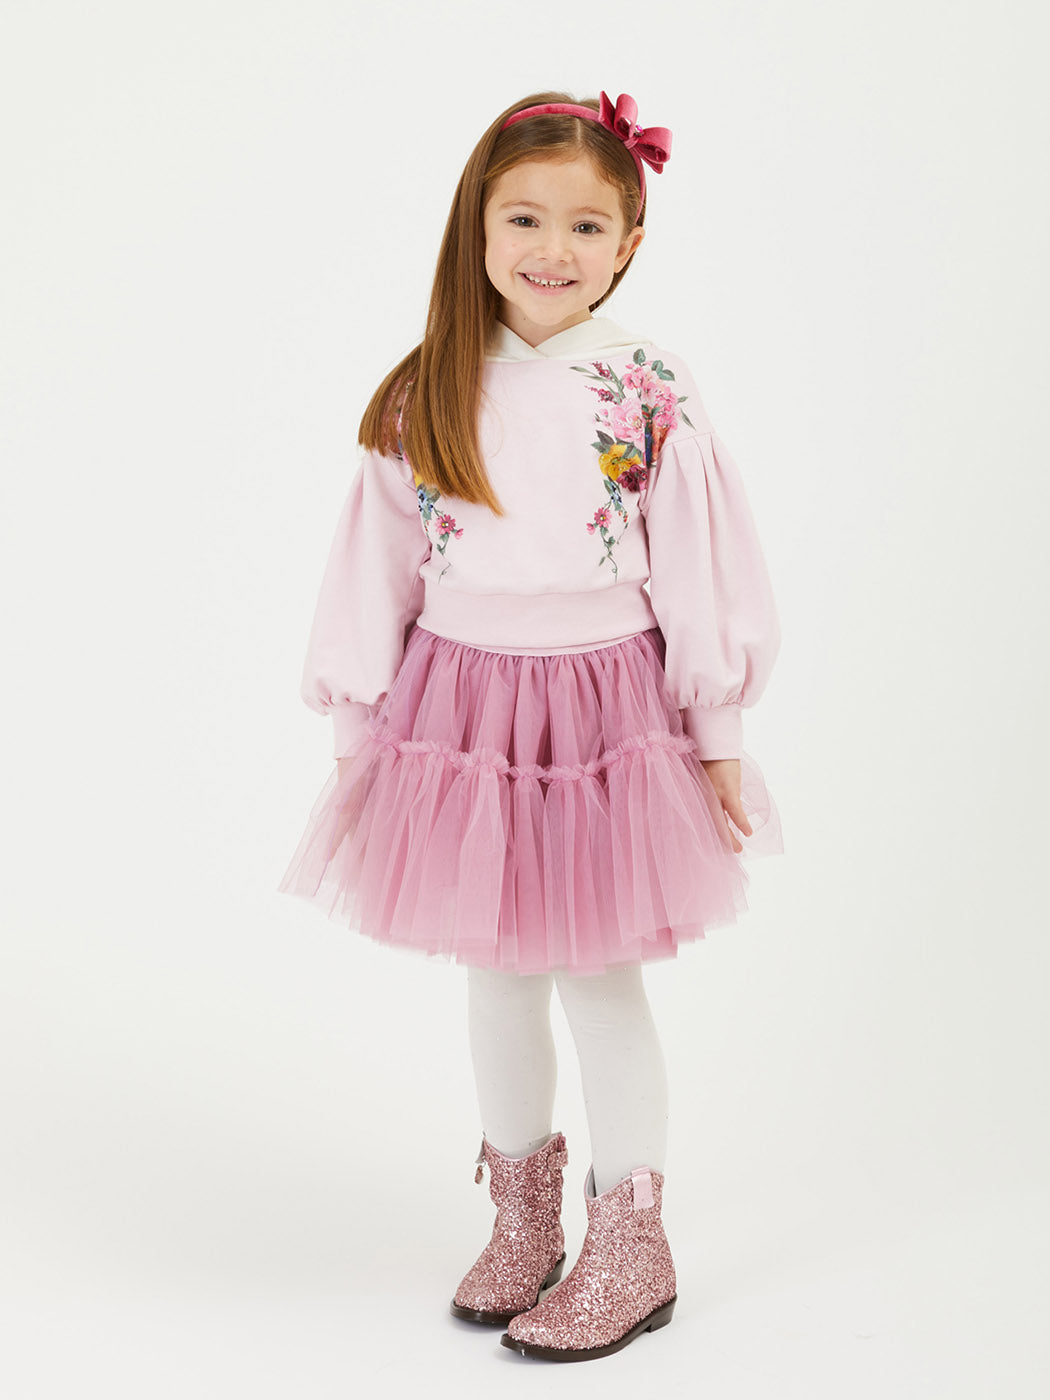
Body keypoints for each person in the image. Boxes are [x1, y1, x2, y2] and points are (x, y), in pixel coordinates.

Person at [278, 89, 783, 1362]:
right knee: (495, 969)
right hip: (459, 712)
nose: (552, 248)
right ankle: (522, 1214)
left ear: (628, 244)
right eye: (523, 218)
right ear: (478, 226)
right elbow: (374, 573)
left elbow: (700, 569)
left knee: (599, 969)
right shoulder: (426, 389)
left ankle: (633, 1237)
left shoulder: (646, 386)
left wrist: (717, 729)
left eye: (586, 225)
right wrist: (359, 742)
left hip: (603, 711)